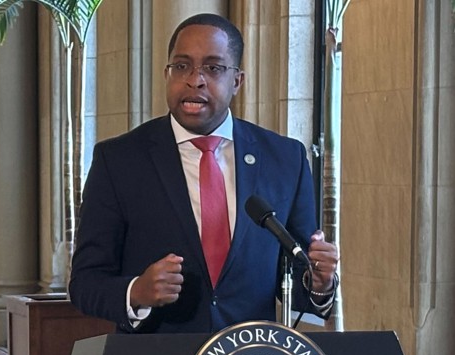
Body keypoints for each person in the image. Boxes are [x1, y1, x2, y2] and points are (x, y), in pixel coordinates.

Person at [69, 13, 340, 334]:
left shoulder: (285, 159)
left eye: (213, 68)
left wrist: (319, 282)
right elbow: (86, 282)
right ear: (166, 74)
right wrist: (137, 292)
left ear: (237, 81)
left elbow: (297, 280)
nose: (195, 79)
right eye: (181, 66)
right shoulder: (118, 160)